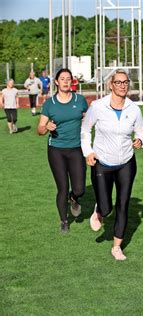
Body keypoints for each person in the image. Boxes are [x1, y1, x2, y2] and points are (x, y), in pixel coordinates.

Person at [81, 69, 143, 260]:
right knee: (107, 208)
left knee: (123, 205)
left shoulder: (134, 108)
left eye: (125, 82)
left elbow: (139, 131)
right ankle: (100, 210)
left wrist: (139, 139)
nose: (122, 86)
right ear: (111, 85)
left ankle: (117, 246)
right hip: (102, 162)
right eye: (118, 82)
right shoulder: (98, 107)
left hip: (126, 162)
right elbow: (85, 130)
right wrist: (88, 152)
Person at [37, 68, 89, 233]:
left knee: (79, 188)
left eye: (69, 79)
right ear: (57, 82)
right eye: (63, 79)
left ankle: (74, 198)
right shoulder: (49, 104)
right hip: (56, 150)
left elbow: (89, 120)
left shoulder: (80, 100)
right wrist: (46, 127)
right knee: (62, 187)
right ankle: (64, 221)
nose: (66, 81)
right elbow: (39, 129)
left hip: (76, 149)